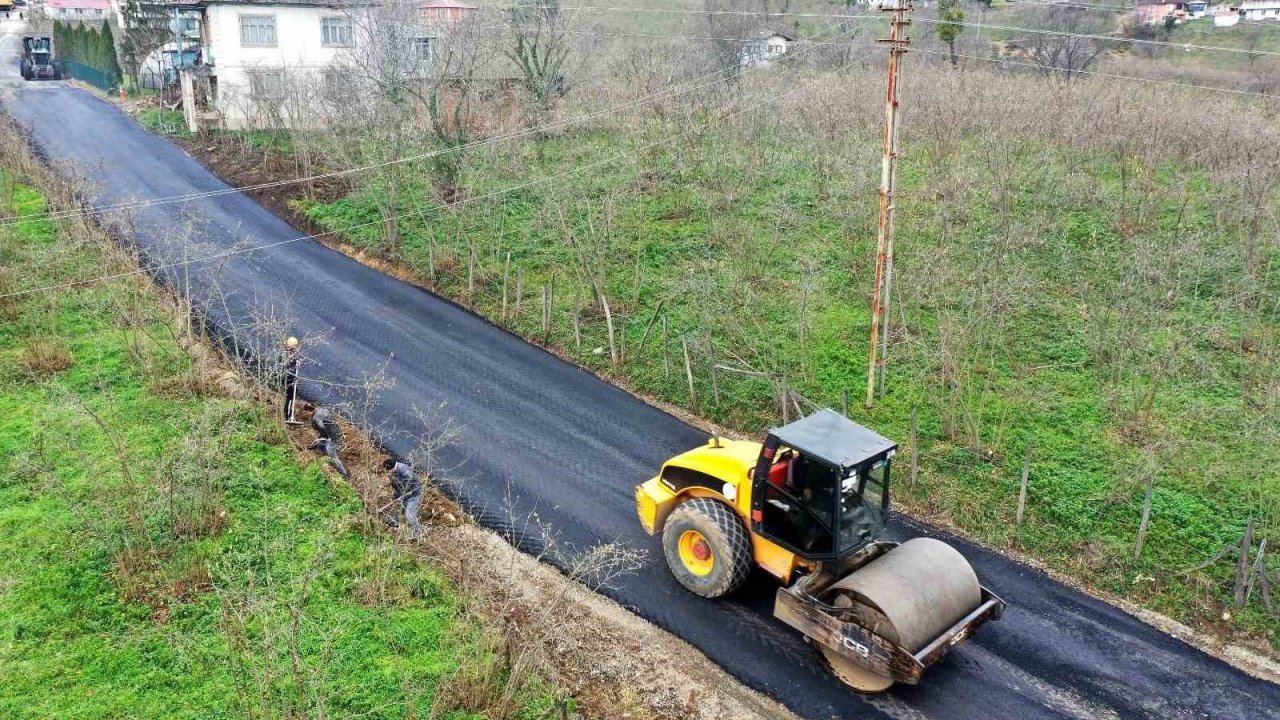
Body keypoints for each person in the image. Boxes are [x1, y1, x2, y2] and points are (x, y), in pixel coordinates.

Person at [304, 403, 348, 477]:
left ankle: (343, 473)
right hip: (336, 430)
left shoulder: (316, 417)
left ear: (309, 411)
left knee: (331, 453)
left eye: (306, 412)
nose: (306, 414)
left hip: (334, 436)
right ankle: (323, 452)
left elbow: (322, 428)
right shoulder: (320, 409)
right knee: (320, 443)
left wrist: (326, 436)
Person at [383, 457, 423, 538]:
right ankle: (394, 521)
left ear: (393, 468)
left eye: (388, 470)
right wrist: (396, 496)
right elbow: (398, 486)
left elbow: (410, 487)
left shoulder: (405, 472)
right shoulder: (394, 471)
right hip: (403, 492)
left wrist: (402, 495)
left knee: (409, 514)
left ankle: (418, 532)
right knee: (398, 506)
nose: (388, 472)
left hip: (413, 494)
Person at [281, 336, 300, 423]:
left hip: (289, 379)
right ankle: (288, 416)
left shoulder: (288, 355)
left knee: (291, 397)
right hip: (288, 380)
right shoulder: (286, 356)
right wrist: (293, 379)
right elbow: (287, 369)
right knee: (290, 397)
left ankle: (288, 415)